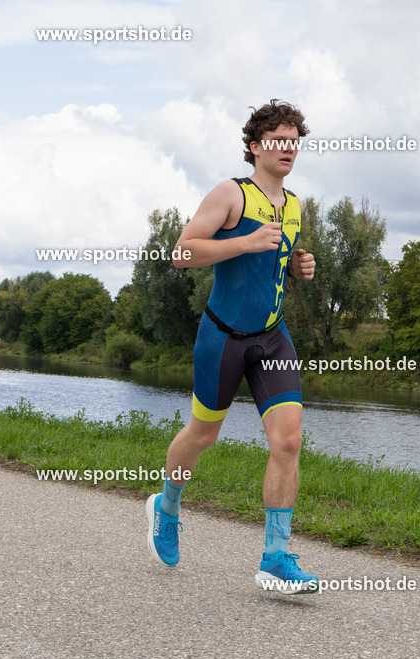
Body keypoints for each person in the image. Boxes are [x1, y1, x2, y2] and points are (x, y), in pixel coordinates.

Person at [146, 100, 318, 594]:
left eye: (295, 141)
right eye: (279, 140)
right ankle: (169, 504)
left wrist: (297, 267)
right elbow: (181, 253)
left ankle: (276, 557)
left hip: (271, 336)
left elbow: (274, 264)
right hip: (222, 337)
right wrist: (242, 242)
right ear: (255, 146)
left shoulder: (295, 204)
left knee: (288, 440)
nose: (289, 149)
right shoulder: (230, 194)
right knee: (203, 435)